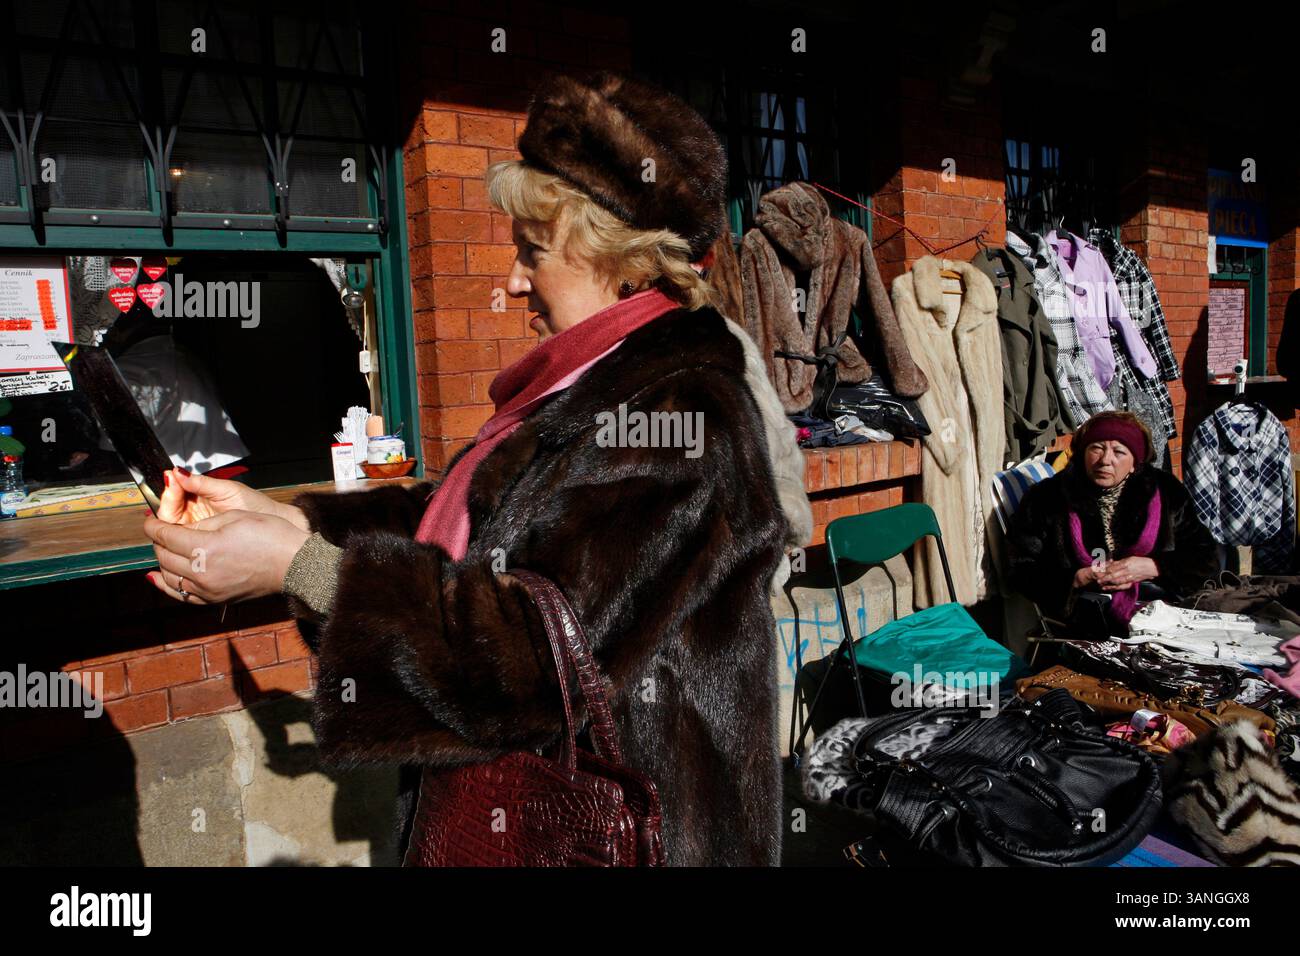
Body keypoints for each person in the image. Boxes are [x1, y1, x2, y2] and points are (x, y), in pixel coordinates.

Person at [141, 71, 812, 866]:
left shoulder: (683, 411)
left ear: (623, 262)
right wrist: (292, 523)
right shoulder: (594, 379)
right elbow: (484, 525)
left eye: (532, 253)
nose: (513, 280)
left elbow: (531, 661)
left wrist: (304, 567)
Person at [1006, 410, 1219, 630]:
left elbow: (1206, 559)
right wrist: (1075, 579)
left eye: (1118, 452)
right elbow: (1020, 568)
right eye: (1096, 448)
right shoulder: (1047, 498)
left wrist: (1154, 566)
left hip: (1162, 615)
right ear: (1082, 453)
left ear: (1135, 463)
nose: (1106, 460)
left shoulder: (1164, 491)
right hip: (1083, 619)